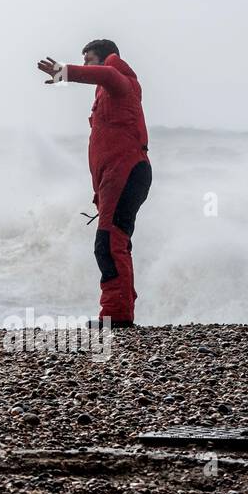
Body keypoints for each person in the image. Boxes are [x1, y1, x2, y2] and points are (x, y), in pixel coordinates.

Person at [38, 40, 151, 327]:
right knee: (115, 242)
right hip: (118, 176)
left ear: (106, 58)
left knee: (109, 242)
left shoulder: (119, 79)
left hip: (125, 171)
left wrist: (65, 72)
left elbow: (107, 74)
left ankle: (116, 315)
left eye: (89, 59)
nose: (86, 65)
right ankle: (120, 313)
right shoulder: (105, 93)